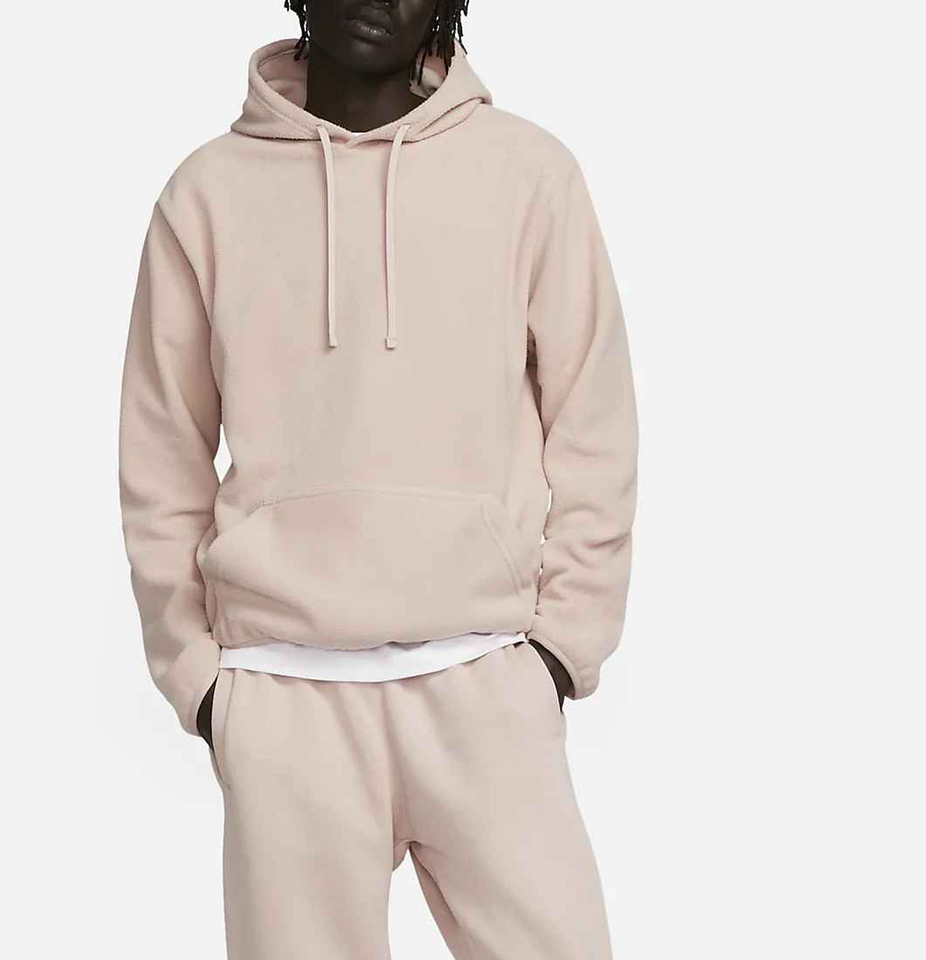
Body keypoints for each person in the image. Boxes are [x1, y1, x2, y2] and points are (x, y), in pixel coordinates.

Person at [118, 1, 638, 957]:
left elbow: (593, 422)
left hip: (487, 683)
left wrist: (563, 648)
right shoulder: (206, 194)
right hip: (284, 696)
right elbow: (162, 450)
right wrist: (198, 678)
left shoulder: (529, 174)